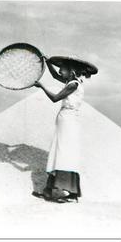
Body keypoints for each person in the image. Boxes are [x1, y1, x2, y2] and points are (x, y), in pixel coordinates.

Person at [32, 56, 97, 203]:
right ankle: (56, 190)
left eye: (63, 69)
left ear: (71, 71)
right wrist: (48, 63)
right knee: (63, 151)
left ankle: (60, 190)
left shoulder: (72, 85)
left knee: (62, 152)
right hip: (68, 119)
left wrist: (41, 86)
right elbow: (55, 75)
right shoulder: (74, 82)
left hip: (68, 119)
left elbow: (55, 98)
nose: (60, 71)